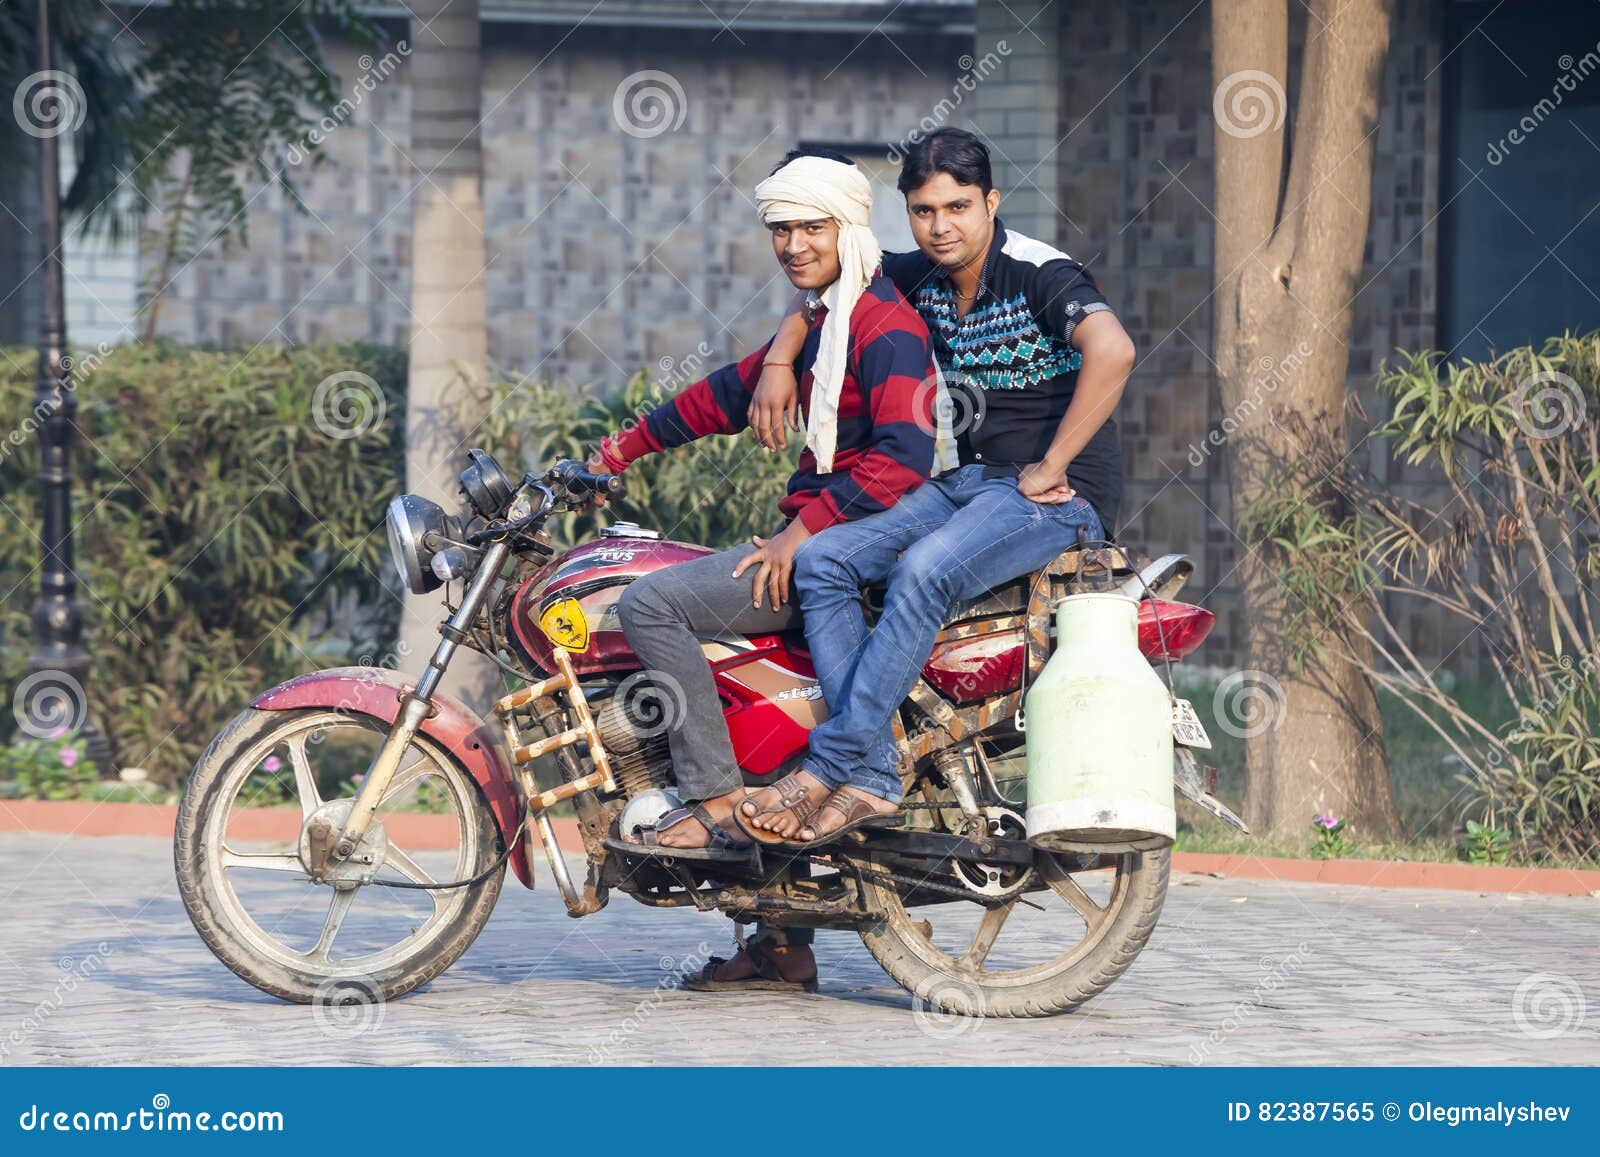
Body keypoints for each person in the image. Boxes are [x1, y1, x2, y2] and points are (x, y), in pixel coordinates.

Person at [587, 147, 936, 989]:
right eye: (780, 229)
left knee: (651, 607)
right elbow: (724, 394)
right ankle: (780, 944)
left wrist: (798, 534)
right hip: (820, 535)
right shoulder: (826, 326)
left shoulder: (887, 330)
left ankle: (711, 808)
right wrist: (621, 449)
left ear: (849, 228)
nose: (791, 243)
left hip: (852, 546)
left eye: (810, 227)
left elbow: (905, 456)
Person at [736, 127, 1138, 847]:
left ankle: (830, 766)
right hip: (974, 482)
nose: (941, 226)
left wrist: (1051, 466)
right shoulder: (919, 273)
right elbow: (827, 280)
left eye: (957, 207)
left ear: (990, 202)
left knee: (924, 570)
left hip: (1060, 498)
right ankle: (875, 775)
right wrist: (779, 357)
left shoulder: (1039, 271)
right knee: (823, 558)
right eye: (924, 211)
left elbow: (1114, 350)